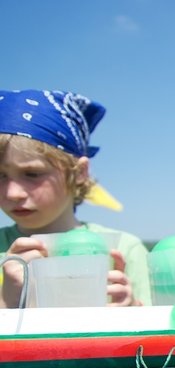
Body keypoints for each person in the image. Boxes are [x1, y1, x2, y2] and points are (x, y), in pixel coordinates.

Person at [0, 89, 150, 307]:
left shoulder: (125, 249)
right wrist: (7, 302)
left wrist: (131, 309)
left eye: (32, 174)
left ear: (79, 172)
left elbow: (162, 334)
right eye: (0, 176)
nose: (13, 192)